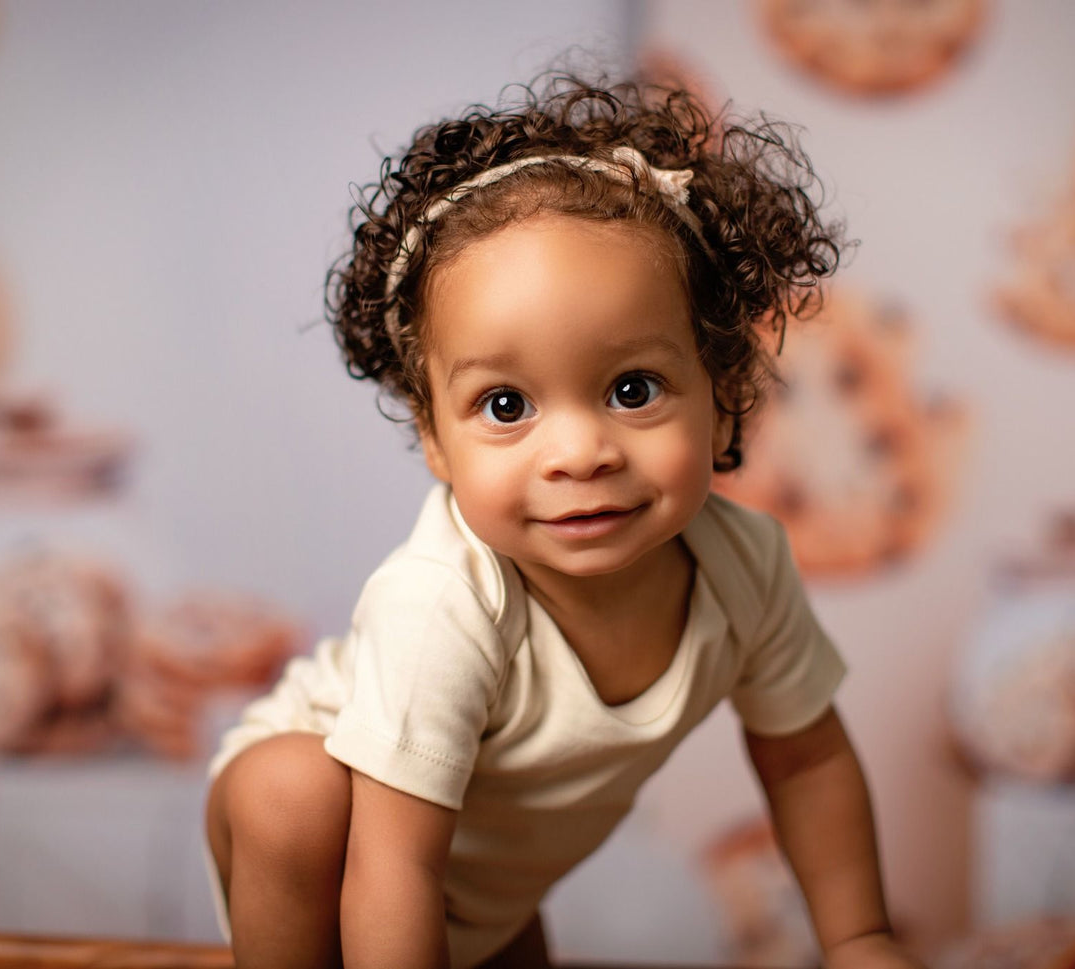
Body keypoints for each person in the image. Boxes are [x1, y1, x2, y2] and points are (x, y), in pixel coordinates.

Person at [204, 72, 923, 969]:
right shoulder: (443, 606)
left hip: (485, 896)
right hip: (341, 862)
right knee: (295, 790)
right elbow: (393, 865)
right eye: (506, 404)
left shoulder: (746, 566)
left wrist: (858, 938)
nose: (579, 452)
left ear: (725, 396)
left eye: (632, 390)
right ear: (432, 436)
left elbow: (806, 760)